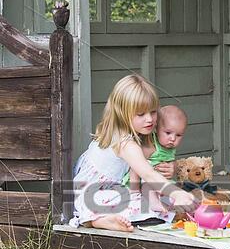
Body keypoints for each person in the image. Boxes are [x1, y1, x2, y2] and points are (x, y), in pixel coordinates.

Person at [70, 74, 195, 232]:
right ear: (122, 112)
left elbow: (153, 158)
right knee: (150, 208)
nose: (149, 119)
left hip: (108, 189)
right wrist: (176, 193)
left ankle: (101, 217)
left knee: (157, 199)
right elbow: (148, 173)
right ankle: (99, 220)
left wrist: (172, 166)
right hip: (95, 193)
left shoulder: (134, 132)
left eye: (153, 112)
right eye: (141, 114)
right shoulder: (125, 142)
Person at [122, 105, 188, 213]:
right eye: (168, 133)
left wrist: (174, 167)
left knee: (172, 189)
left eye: (179, 135)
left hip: (159, 183)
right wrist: (134, 191)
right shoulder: (150, 145)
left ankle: (169, 206)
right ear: (156, 129)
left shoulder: (169, 147)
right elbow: (136, 167)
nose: (172, 138)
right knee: (149, 183)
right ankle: (154, 203)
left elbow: (170, 162)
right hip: (142, 182)